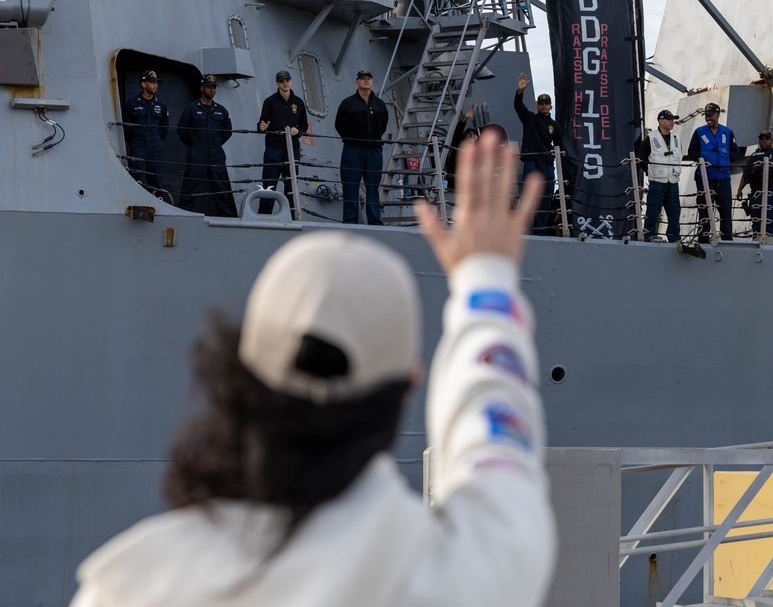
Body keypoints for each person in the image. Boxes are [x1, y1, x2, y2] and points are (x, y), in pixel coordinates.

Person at [68, 129, 556, 607]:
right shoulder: (466, 574)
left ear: (241, 377)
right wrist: (485, 284)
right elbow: (498, 457)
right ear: (409, 386)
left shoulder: (125, 587)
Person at [335, 69, 390, 225]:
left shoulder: (379, 104)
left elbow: (383, 125)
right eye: (363, 79)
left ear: (372, 82)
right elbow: (339, 125)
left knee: (372, 187)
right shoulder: (347, 103)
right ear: (357, 82)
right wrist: (353, 139)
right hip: (353, 149)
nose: (366, 81)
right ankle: (350, 221)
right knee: (351, 186)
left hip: (374, 150)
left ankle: (374, 220)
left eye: (369, 79)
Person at [177, 74, 236, 217]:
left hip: (216, 153)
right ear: (202, 88)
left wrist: (215, 144)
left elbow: (227, 130)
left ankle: (227, 218)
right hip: (198, 153)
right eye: (209, 87)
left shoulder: (221, 110)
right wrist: (195, 144)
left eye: (214, 87)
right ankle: (182, 215)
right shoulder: (191, 108)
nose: (212, 90)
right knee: (190, 186)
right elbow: (182, 129)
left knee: (220, 187)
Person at [514, 72, 563, 235]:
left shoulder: (555, 127)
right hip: (531, 161)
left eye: (546, 103)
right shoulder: (530, 118)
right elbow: (518, 107)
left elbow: (560, 146)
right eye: (541, 103)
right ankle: (525, 230)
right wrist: (520, 92)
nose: (543, 106)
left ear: (551, 106)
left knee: (545, 198)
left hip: (547, 165)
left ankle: (540, 232)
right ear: (537, 106)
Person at [686, 102, 740, 242]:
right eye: (706, 116)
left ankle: (727, 239)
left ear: (717, 114)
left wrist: (724, 158)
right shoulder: (699, 132)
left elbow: (735, 152)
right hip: (705, 177)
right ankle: (703, 239)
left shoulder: (727, 132)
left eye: (710, 115)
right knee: (704, 209)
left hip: (723, 176)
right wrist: (703, 160)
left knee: (725, 209)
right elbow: (692, 151)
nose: (708, 118)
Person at [258, 70, 309, 216]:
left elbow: (304, 126)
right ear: (277, 84)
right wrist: (262, 127)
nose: (285, 83)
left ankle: (291, 217)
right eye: (281, 81)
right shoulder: (270, 101)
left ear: (291, 82)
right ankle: (263, 217)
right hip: (274, 149)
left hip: (292, 150)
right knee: (269, 185)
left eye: (287, 80)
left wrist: (297, 131)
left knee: (291, 186)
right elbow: (262, 123)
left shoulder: (298, 103)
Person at [122, 69, 170, 191]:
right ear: (143, 84)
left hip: (155, 145)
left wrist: (156, 139)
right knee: (135, 175)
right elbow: (127, 128)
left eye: (156, 83)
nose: (156, 85)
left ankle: (158, 200)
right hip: (138, 145)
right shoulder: (132, 104)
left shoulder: (161, 104)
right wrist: (135, 142)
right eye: (152, 82)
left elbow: (164, 127)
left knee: (156, 177)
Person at [639, 109, 682, 242]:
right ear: (661, 121)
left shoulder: (676, 138)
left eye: (673, 120)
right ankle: (648, 235)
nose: (672, 122)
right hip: (657, 181)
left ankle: (674, 237)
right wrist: (650, 171)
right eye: (669, 119)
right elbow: (642, 158)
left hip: (673, 181)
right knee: (653, 210)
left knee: (675, 211)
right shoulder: (650, 139)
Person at [737, 132, 773, 238]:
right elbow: (745, 174)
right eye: (762, 139)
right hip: (755, 194)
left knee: (770, 222)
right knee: (756, 223)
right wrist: (739, 190)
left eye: (767, 139)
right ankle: (757, 242)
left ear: (771, 140)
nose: (764, 141)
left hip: (771, 193)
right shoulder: (753, 156)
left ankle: (772, 245)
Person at [445, 106, 479, 190]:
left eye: (474, 134)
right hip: (455, 184)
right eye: (469, 134)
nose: (471, 135)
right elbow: (457, 133)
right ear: (465, 136)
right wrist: (464, 119)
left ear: (477, 138)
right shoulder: (458, 146)